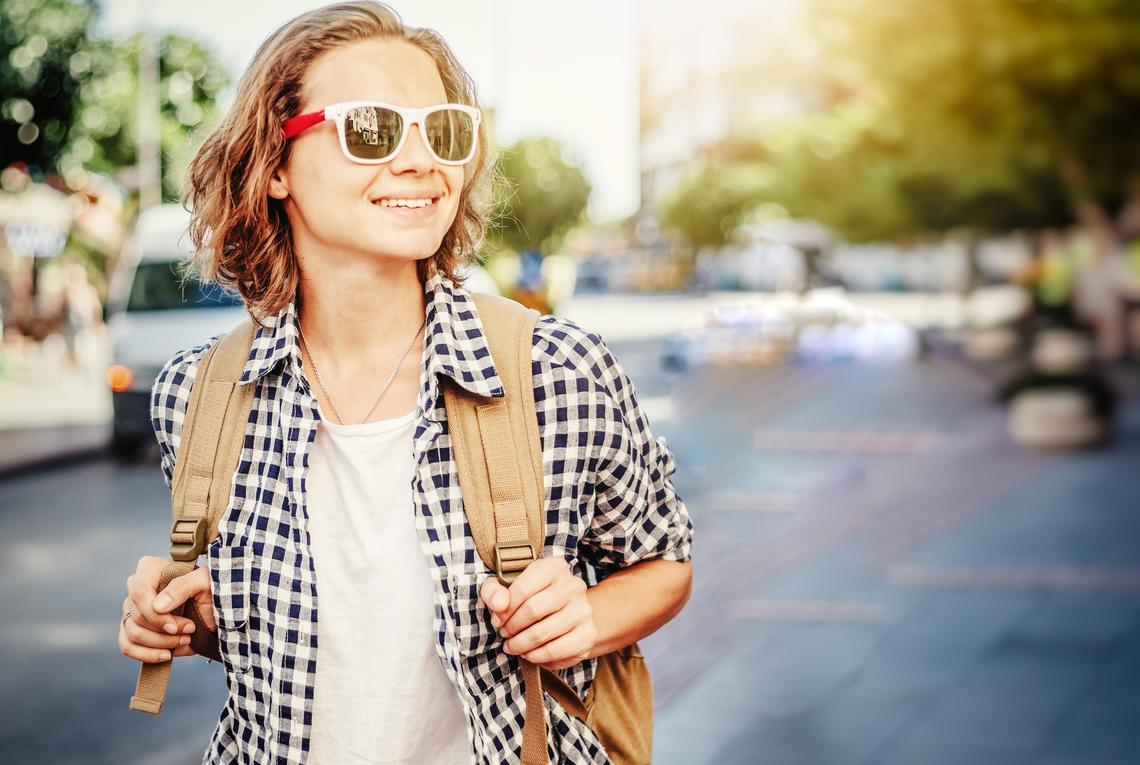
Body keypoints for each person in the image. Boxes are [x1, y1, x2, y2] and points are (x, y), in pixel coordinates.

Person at [117, 3, 694, 763]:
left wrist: (586, 615)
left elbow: (664, 561)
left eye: (444, 130)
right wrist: (188, 621)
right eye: (373, 129)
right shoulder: (196, 394)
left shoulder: (558, 370)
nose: (422, 160)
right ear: (277, 164)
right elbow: (303, 642)